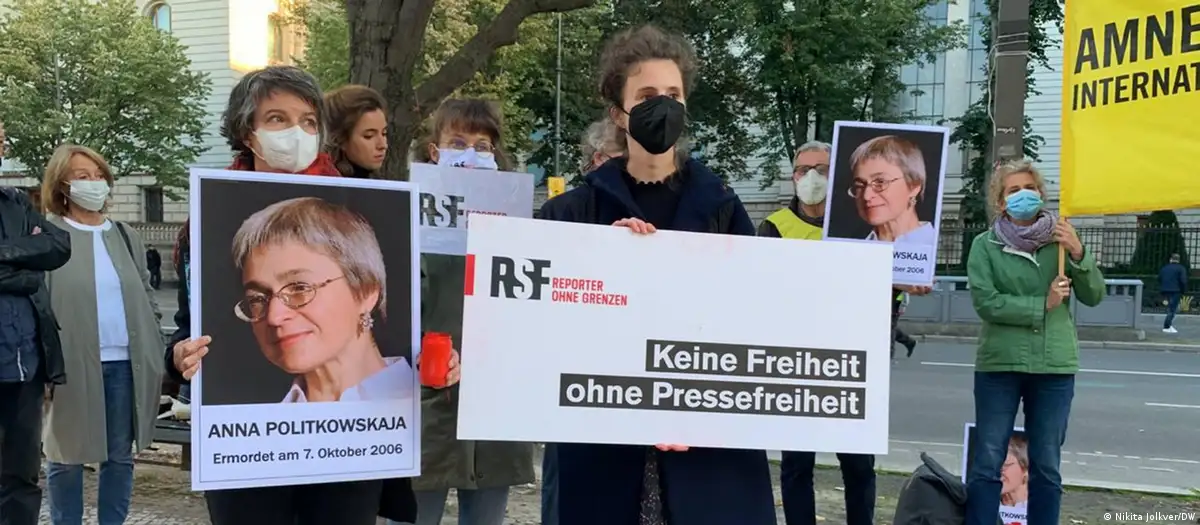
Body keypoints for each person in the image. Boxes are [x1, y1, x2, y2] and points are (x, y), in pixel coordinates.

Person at [539, 25, 775, 525]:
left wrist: (698, 410)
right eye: (647, 96)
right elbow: (540, 333)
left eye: (673, 95)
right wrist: (600, 261)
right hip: (604, 451)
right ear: (618, 113)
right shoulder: (571, 214)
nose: (662, 106)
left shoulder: (723, 209)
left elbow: (755, 323)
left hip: (707, 457)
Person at [164, 65, 417, 525]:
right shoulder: (205, 218)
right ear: (247, 132)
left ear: (366, 290)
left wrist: (442, 363)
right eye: (277, 119)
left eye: (308, 121)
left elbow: (424, 327)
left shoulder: (363, 204)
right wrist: (179, 355)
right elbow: (187, 326)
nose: (295, 133)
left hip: (353, 456)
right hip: (246, 458)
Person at [394, 98, 528, 525]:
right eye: (457, 142)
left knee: (487, 513)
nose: (471, 154)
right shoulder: (405, 220)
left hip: (494, 398)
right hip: (425, 398)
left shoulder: (517, 226)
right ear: (435, 151)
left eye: (483, 146)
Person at [964, 159, 1104, 525]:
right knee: (988, 461)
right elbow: (986, 302)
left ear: (1041, 193)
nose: (1023, 195)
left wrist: (1079, 253)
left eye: (1030, 188)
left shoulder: (1062, 240)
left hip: (1054, 365)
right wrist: (1042, 305)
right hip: (1000, 364)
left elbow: (1094, 295)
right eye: (1014, 190)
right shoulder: (984, 246)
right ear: (1001, 201)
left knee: (1046, 464)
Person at [37, 144, 164, 525]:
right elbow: (37, 302)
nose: (94, 183)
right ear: (62, 185)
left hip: (126, 364)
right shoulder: (47, 234)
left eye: (99, 176)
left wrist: (156, 341)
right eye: (82, 176)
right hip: (69, 366)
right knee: (65, 457)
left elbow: (146, 293)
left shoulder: (124, 235)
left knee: (120, 457)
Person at [230, 197, 414, 403]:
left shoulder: (429, 405)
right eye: (257, 299)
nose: (274, 316)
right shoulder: (250, 420)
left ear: (365, 291)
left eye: (299, 288)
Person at [540, 118, 627, 525]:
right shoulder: (562, 211)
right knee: (567, 483)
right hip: (572, 375)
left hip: (629, 375)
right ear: (596, 159)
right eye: (619, 156)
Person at [0, 124, 71, 525]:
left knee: (22, 475)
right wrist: (24, 268)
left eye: (0, 141)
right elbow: (32, 265)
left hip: (24, 365)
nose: (1, 147)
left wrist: (6, 254)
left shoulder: (15, 202)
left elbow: (57, 245)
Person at [847, 135, 935, 245]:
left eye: (880, 182)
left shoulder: (935, 246)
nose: (866, 196)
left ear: (914, 186)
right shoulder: (850, 248)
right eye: (860, 185)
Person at [758, 141, 830, 240]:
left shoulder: (849, 223)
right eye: (803, 170)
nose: (812, 177)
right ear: (793, 178)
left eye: (821, 170)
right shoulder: (773, 226)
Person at [415, 99, 512, 171]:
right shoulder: (415, 192)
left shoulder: (510, 192)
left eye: (481, 147)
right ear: (435, 153)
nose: (470, 156)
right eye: (458, 144)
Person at [325, 84, 389, 178]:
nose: (383, 145)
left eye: (384, 133)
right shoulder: (321, 182)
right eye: (369, 136)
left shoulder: (375, 181)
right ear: (340, 139)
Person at [1158, 253, 1187, 333]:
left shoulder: (1164, 268)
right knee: (1172, 309)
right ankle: (1167, 326)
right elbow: (1183, 281)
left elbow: (1159, 278)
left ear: (1170, 259)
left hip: (1165, 290)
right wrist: (1183, 291)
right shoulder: (1181, 268)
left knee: (1169, 308)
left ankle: (1169, 325)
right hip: (1176, 291)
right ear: (1178, 260)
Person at [1000, 435, 1029, 509]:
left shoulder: (1041, 508)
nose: (999, 470)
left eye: (1006, 465)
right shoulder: (985, 506)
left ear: (1025, 469)